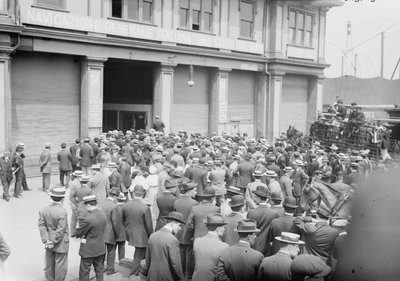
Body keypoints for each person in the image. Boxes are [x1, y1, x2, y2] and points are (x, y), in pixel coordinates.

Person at [142, 211, 185, 280]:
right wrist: (181, 278)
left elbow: (148, 258)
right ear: (173, 223)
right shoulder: (172, 240)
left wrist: (145, 272)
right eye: (179, 225)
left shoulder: (153, 236)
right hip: (166, 277)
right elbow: (175, 264)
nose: (180, 228)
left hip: (152, 275)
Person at [38, 187, 69, 281]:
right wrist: (53, 241)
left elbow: (41, 226)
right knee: (60, 265)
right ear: (63, 199)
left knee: (49, 264)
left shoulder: (45, 209)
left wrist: (46, 240)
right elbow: (61, 229)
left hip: (48, 241)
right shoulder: (62, 211)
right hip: (60, 242)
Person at [122, 185, 154, 276]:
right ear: (143, 194)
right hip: (142, 235)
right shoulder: (145, 207)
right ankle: (133, 274)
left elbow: (123, 220)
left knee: (141, 253)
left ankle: (142, 271)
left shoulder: (125, 205)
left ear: (133, 193)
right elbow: (149, 225)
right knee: (139, 255)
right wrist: (151, 235)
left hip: (130, 233)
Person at [75, 194, 107, 281]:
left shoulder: (88, 219)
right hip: (100, 247)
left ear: (88, 205)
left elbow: (79, 232)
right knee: (99, 270)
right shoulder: (103, 214)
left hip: (89, 249)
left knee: (84, 271)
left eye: (85, 205)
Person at [192, 213, 229, 281]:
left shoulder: (197, 241)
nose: (224, 230)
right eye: (223, 227)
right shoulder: (224, 246)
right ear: (218, 229)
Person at [173, 181, 198, 280]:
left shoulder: (176, 201)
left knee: (180, 253)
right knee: (189, 254)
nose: (196, 192)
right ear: (190, 191)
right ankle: (187, 275)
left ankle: (180, 273)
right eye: (194, 190)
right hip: (188, 233)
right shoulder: (195, 203)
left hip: (178, 232)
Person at [247, 185, 279, 256]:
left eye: (254, 196)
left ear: (258, 197)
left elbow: (247, 231)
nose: (254, 199)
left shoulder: (251, 212)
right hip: (267, 247)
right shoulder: (274, 213)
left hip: (253, 246)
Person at [98, 187, 120, 275]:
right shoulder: (114, 206)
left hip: (101, 231)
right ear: (115, 196)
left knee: (102, 252)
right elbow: (115, 222)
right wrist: (117, 233)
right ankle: (110, 269)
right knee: (111, 251)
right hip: (110, 232)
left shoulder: (101, 203)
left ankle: (100, 268)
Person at [111, 193, 127, 262]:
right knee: (122, 248)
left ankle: (111, 263)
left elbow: (113, 220)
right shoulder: (125, 209)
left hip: (114, 232)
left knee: (112, 249)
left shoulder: (114, 208)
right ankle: (121, 262)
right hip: (123, 232)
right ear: (124, 200)